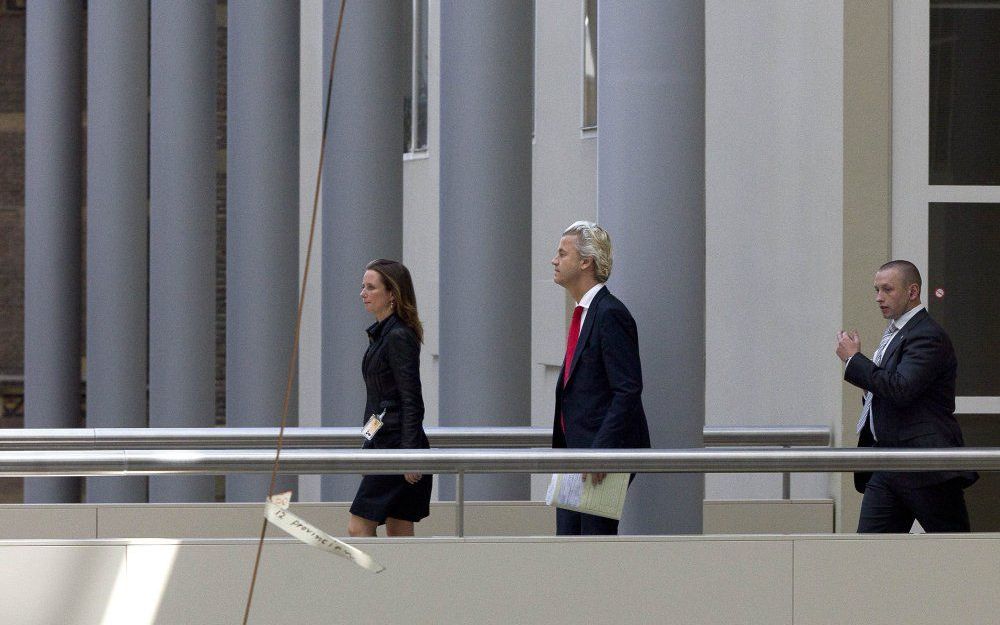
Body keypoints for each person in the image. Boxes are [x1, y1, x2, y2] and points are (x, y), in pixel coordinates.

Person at [836, 259, 977, 533]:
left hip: (924, 465)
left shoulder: (927, 335)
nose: (879, 298)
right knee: (867, 553)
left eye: (887, 289)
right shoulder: (897, 334)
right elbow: (887, 390)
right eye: (876, 290)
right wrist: (868, 385)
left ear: (912, 292)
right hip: (887, 461)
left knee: (955, 551)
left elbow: (901, 389)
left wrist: (855, 360)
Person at [550, 221, 651, 535]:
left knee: (593, 550)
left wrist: (600, 451)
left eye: (562, 253)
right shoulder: (584, 312)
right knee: (568, 549)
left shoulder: (609, 314)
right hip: (575, 454)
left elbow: (628, 389)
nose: (554, 260)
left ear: (585, 262)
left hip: (598, 458)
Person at [348, 259, 432, 537]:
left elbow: (411, 399)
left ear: (392, 295)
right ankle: (404, 582)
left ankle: (376, 581)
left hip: (396, 445)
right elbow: (381, 401)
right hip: (389, 442)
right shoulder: (385, 334)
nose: (363, 293)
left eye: (371, 287)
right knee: (399, 528)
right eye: (363, 286)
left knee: (359, 527)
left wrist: (408, 454)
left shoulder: (397, 336)